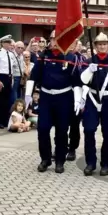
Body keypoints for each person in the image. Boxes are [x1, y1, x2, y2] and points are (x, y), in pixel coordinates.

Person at [24, 30, 81, 174]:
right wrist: (27, 96)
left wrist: (78, 100)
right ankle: (45, 159)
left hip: (64, 98)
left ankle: (60, 160)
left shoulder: (70, 58)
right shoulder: (43, 57)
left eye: (58, 39)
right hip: (46, 98)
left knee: (62, 131)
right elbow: (33, 77)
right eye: (53, 39)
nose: (55, 42)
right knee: (42, 129)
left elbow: (76, 82)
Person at [79, 33, 108, 177]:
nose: (102, 46)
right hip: (92, 99)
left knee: (107, 133)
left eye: (104, 44)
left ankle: (106, 164)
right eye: (99, 44)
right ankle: (90, 163)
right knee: (88, 130)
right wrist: (89, 70)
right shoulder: (88, 61)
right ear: (95, 46)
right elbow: (82, 80)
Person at [0, 35, 16, 129]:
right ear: (3, 43)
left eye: (10, 43)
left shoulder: (10, 54)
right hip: (2, 76)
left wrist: (12, 79)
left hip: (9, 77)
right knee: (0, 100)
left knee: (7, 101)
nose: (9, 45)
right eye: (7, 43)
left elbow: (12, 68)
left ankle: (5, 120)